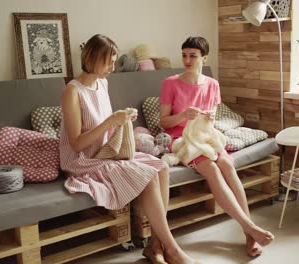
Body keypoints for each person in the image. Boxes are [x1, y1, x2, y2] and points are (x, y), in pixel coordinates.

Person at [60, 34, 197, 264]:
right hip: (83, 160)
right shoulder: (72, 92)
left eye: (114, 62)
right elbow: (76, 144)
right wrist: (112, 121)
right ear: (92, 58)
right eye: (109, 62)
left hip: (107, 152)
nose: (113, 68)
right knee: (148, 176)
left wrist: (122, 119)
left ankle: (155, 245)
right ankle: (172, 249)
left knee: (161, 167)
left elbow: (107, 128)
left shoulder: (102, 83)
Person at [159, 36, 274, 257]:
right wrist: (183, 114)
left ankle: (249, 236)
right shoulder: (170, 83)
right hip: (181, 138)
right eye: (184, 55)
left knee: (228, 167)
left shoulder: (212, 84)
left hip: (205, 136)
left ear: (204, 57)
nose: (187, 60)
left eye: (193, 55)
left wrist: (210, 118)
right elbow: (164, 122)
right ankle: (250, 228)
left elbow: (209, 122)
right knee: (211, 168)